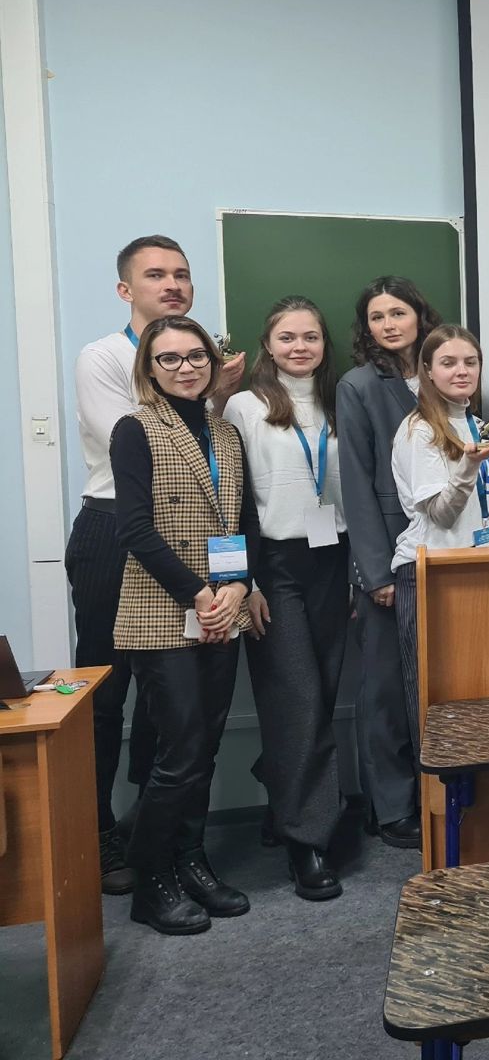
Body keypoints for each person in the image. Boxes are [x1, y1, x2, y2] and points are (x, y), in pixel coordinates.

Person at [69, 234, 244, 895]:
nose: (172, 284)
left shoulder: (202, 374)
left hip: (198, 543)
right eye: (155, 275)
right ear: (126, 289)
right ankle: (101, 838)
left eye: (181, 274)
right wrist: (210, 394)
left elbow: (208, 464)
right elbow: (143, 445)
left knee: (170, 712)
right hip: (118, 533)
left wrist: (235, 580)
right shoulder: (104, 356)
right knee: (107, 694)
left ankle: (157, 835)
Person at [111, 316, 256, 934]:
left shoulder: (225, 433)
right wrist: (199, 594)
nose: (186, 367)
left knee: (207, 745)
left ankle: (191, 861)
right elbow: (135, 529)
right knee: (181, 751)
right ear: (149, 368)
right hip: (164, 610)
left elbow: (242, 521)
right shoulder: (135, 429)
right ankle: (151, 881)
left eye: (196, 355)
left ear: (212, 362)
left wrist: (238, 587)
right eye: (168, 358)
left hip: (222, 606)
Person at [224, 295, 348, 901]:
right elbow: (228, 500)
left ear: (325, 345)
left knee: (320, 693)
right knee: (296, 698)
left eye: (311, 337)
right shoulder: (243, 406)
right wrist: (244, 581)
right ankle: (308, 842)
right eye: (287, 338)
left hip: (334, 559)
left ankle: (284, 794)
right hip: (274, 568)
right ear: (268, 347)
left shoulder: (341, 401)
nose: (300, 347)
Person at [335, 276, 442, 850]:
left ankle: (438, 794)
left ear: (419, 316)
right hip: (389, 557)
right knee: (384, 689)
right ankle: (392, 806)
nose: (388, 325)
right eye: (377, 317)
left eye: (398, 312)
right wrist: (375, 573)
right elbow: (355, 483)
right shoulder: (358, 385)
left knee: (435, 683)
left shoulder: (445, 371)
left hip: (444, 553)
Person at [391, 325, 489, 765]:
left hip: (479, 568)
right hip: (432, 574)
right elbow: (441, 514)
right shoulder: (419, 429)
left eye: (470, 362)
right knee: (434, 700)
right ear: (427, 370)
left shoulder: (474, 422)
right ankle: (435, 800)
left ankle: (473, 796)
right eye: (449, 363)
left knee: (478, 694)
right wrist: (467, 467)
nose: (462, 371)